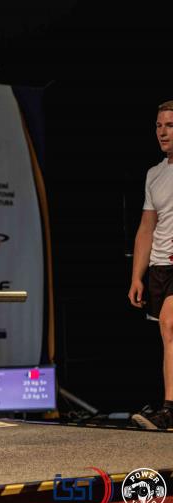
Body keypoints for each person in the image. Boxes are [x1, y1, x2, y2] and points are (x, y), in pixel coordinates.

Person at [128, 100, 173, 430]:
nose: (162, 132)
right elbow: (147, 227)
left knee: (170, 325)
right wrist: (137, 276)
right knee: (167, 334)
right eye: (158, 126)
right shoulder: (154, 174)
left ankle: (169, 408)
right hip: (159, 267)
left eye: (170, 125)